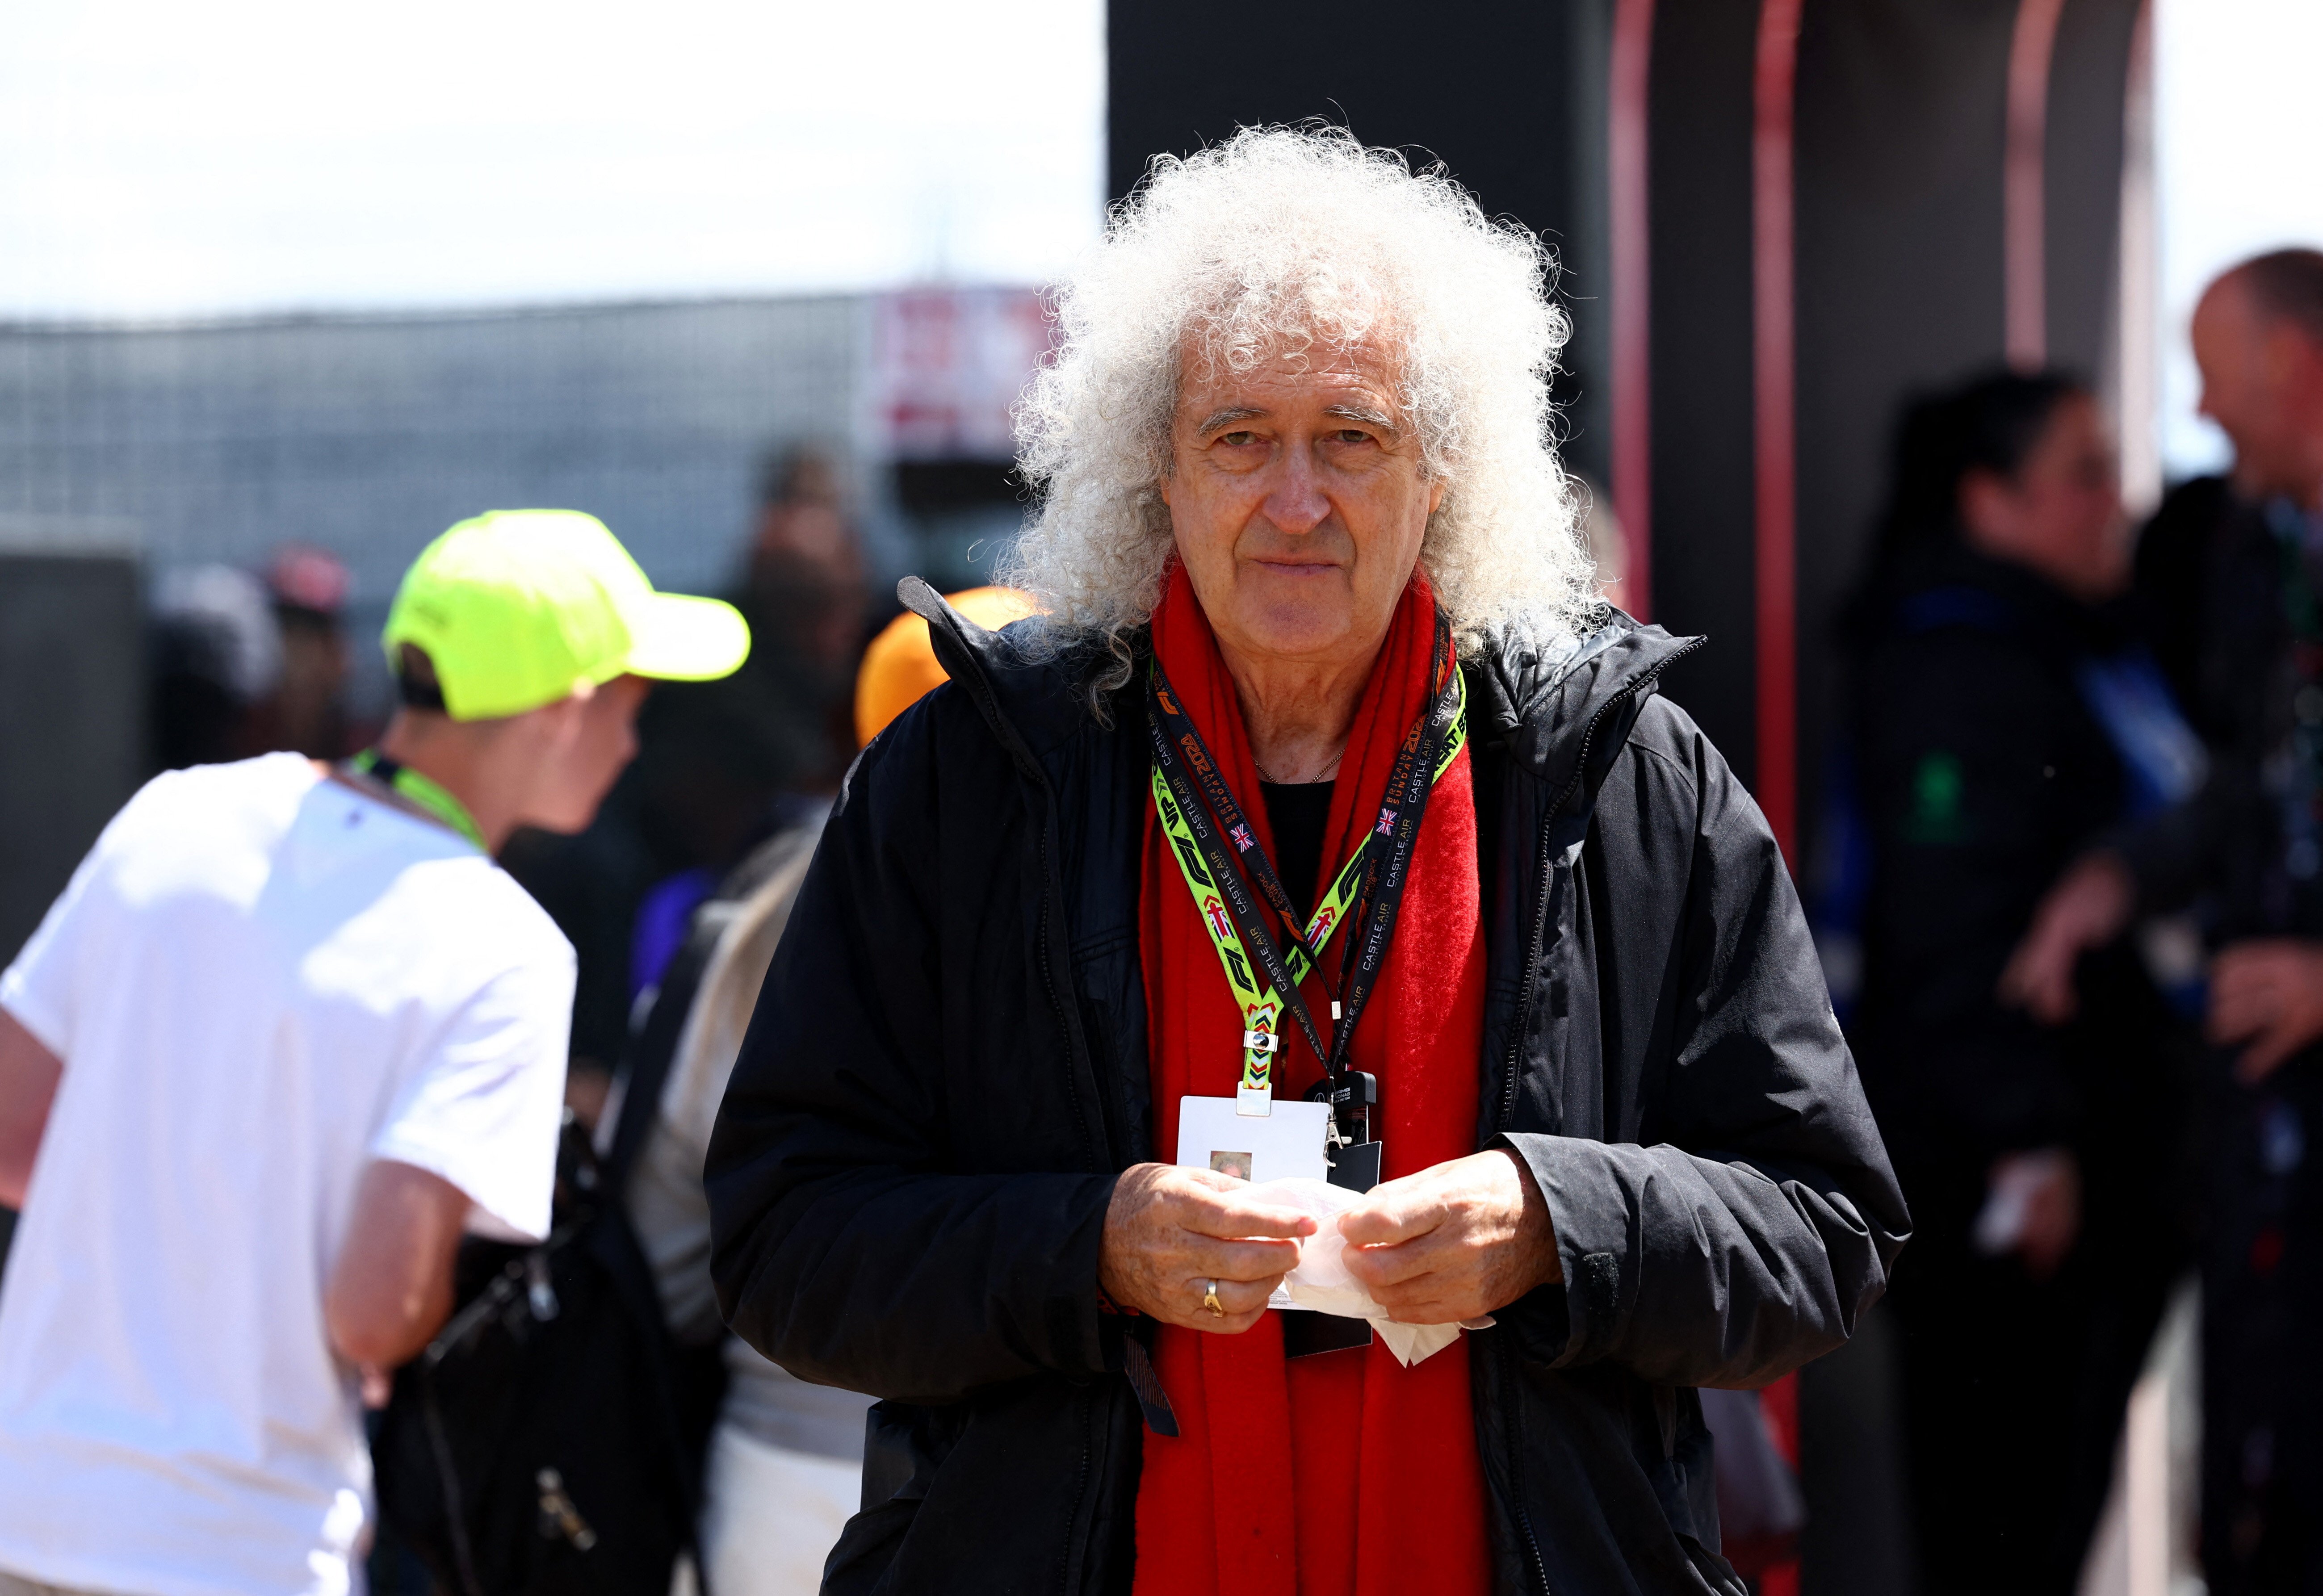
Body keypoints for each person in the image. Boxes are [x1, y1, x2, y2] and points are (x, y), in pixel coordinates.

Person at [705, 126, 1906, 1596]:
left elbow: (1827, 1230)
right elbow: (784, 1240)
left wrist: (1554, 1223)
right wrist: (1084, 1243)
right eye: (1237, 438)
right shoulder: (971, 782)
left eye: (1352, 436)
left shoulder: (1626, 780)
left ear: (1445, 470)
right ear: (1158, 464)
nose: (1294, 499)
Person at [0, 507, 747, 1596]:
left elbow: (16, 1138)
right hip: (240, 1548)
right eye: (631, 702)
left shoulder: (178, 813)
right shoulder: (505, 947)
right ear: (567, 709)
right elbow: (374, 1307)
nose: (636, 742)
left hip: (29, 1503)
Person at [1841, 371, 2199, 1591]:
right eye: (2087, 474)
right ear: (1991, 500)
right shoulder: (1959, 667)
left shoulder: (2070, 639)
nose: (2119, 503)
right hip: (2006, 1191)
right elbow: (1945, 928)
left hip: (2086, 1159)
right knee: (2003, 1525)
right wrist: (2025, 1149)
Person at [2006, 249, 2323, 1595]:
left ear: (2295, 368)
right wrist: (2116, 879)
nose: (2199, 412)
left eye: (2213, 372)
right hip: (2268, 1156)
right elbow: (2249, 787)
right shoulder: (2259, 556)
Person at [625, 585, 1033, 1596]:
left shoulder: (763, 903)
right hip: (1023, 1462)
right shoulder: (1112, 901)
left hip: (778, 1452)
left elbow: (671, 1221)